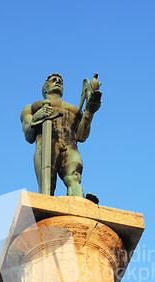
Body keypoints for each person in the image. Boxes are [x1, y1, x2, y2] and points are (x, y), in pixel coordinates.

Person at [20, 73, 101, 201]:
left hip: (70, 147)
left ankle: (80, 205)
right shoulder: (32, 108)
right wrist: (36, 118)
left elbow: (81, 136)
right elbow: (28, 135)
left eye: (60, 81)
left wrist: (89, 111)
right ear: (45, 88)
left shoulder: (74, 110)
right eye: (53, 80)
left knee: (74, 178)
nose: (58, 81)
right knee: (47, 186)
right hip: (46, 145)